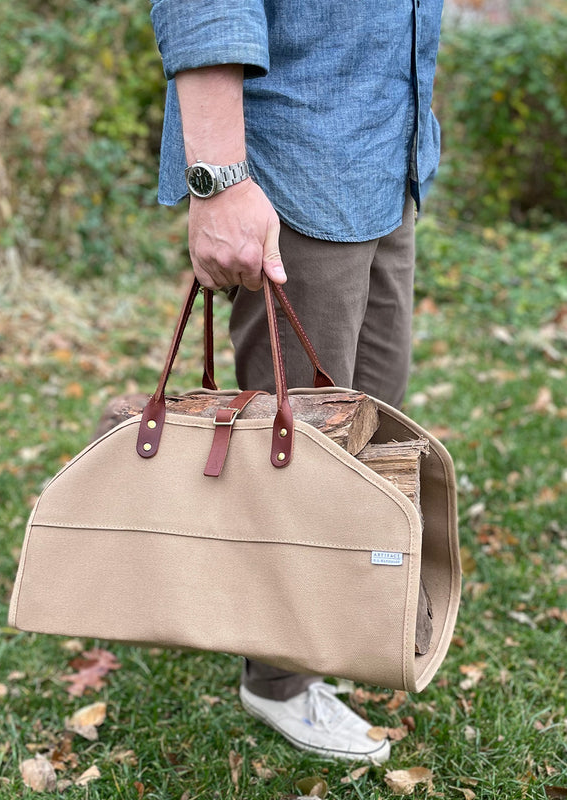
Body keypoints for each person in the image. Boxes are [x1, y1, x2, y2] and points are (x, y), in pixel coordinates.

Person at [149, 0, 444, 763]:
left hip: (380, 153)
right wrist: (219, 180)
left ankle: (327, 634)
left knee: (367, 427)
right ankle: (276, 678)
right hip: (290, 166)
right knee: (294, 448)